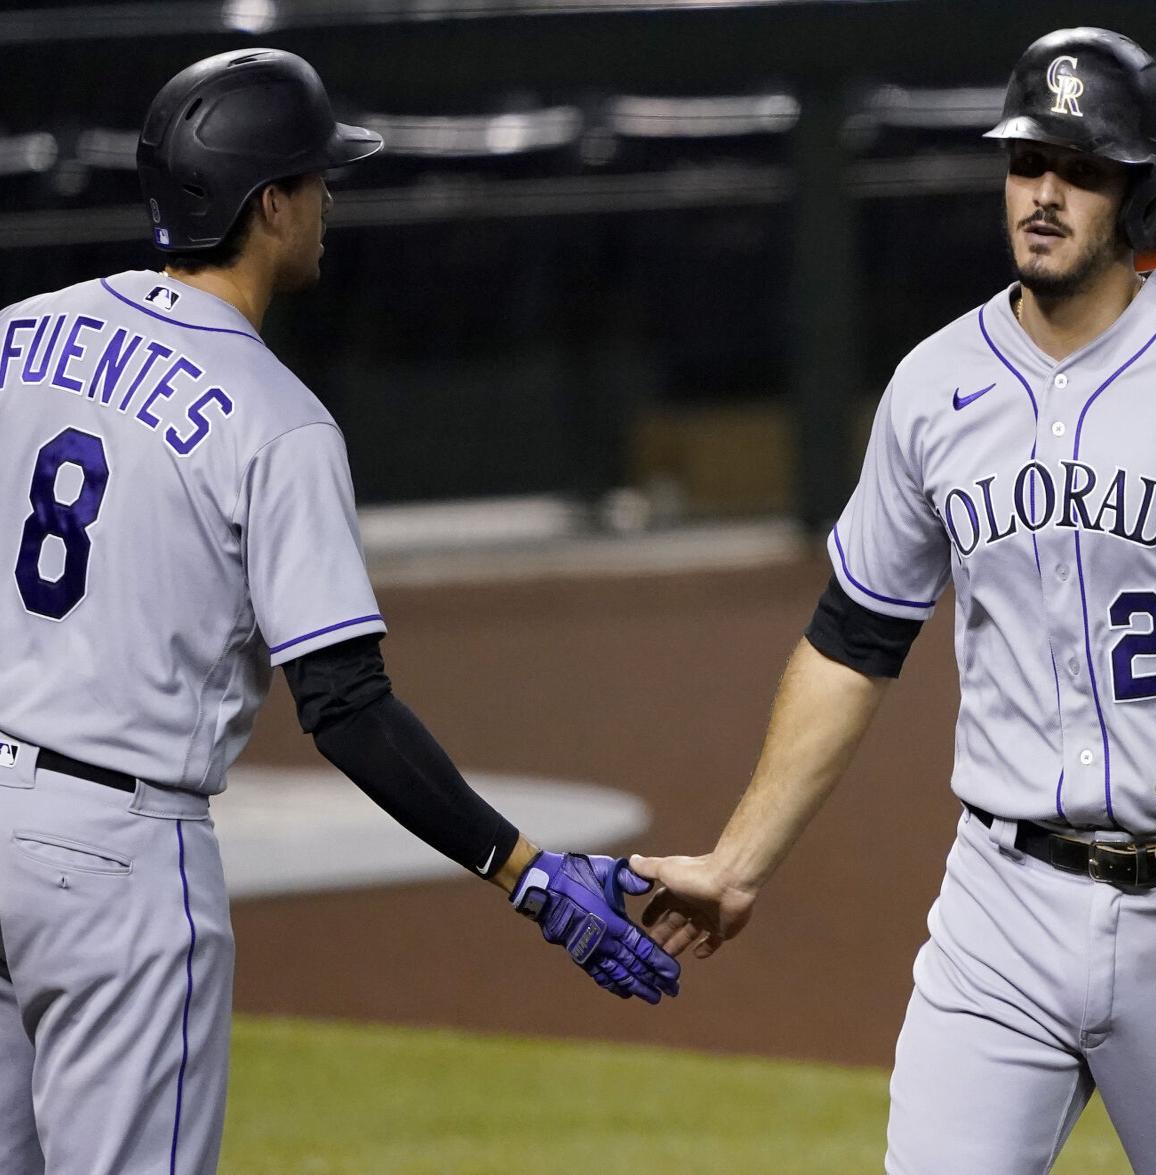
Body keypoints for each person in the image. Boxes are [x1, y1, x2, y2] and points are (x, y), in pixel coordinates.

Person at [631, 25, 1156, 1175]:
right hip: (999, 906)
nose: (1043, 194)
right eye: (1027, 163)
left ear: (1134, 191)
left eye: (1079, 170)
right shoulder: (932, 388)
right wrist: (737, 861)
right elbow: (854, 636)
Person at [0, 48, 677, 1175]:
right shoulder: (279, 420)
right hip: (114, 869)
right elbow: (346, 704)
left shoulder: (20, 334)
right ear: (268, 205)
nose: (329, 204)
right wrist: (520, 869)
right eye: (318, 181)